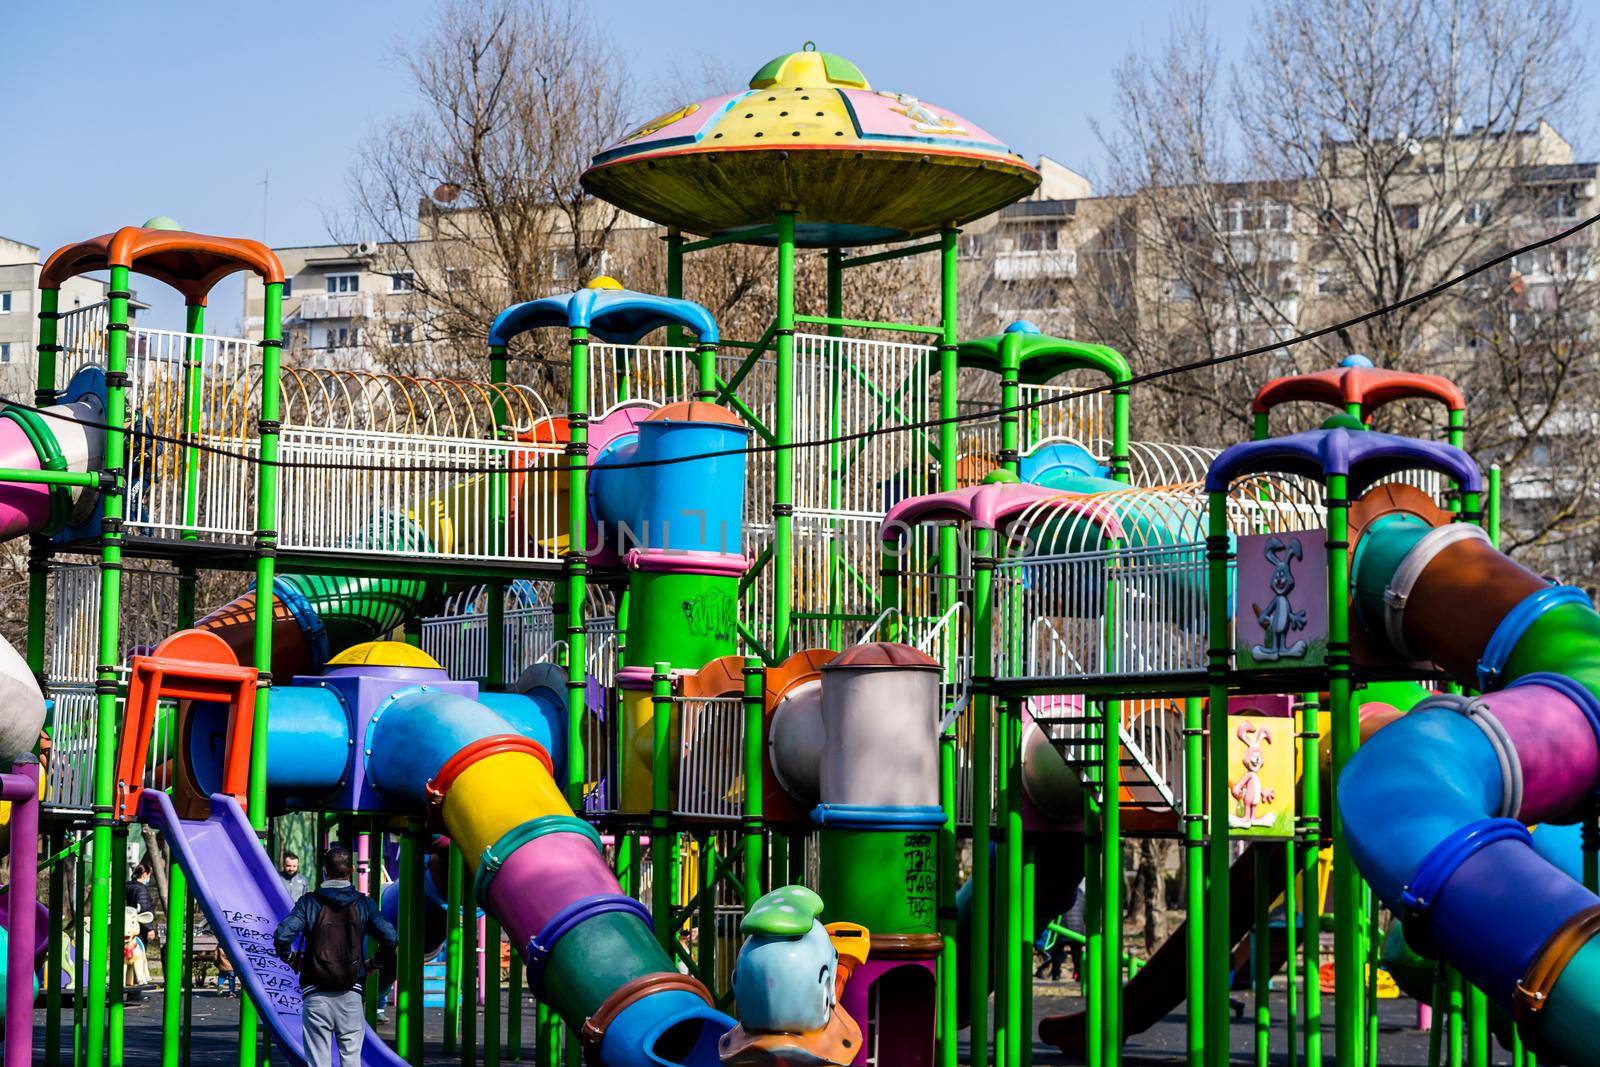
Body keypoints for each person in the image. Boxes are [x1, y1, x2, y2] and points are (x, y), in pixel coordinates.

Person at [274, 846, 398, 1067]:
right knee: (351, 1061)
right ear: (351, 870)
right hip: (350, 992)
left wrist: (292, 959)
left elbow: (282, 936)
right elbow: (390, 937)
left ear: (324, 870)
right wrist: (373, 964)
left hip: (316, 993)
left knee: (318, 1062)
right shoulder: (363, 903)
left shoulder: (309, 902)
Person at [125, 861, 157, 947]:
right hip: (139, 927)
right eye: (149, 875)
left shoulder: (127, 886)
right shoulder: (141, 889)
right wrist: (149, 928)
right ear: (145, 874)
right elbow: (143, 909)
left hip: (127, 924)